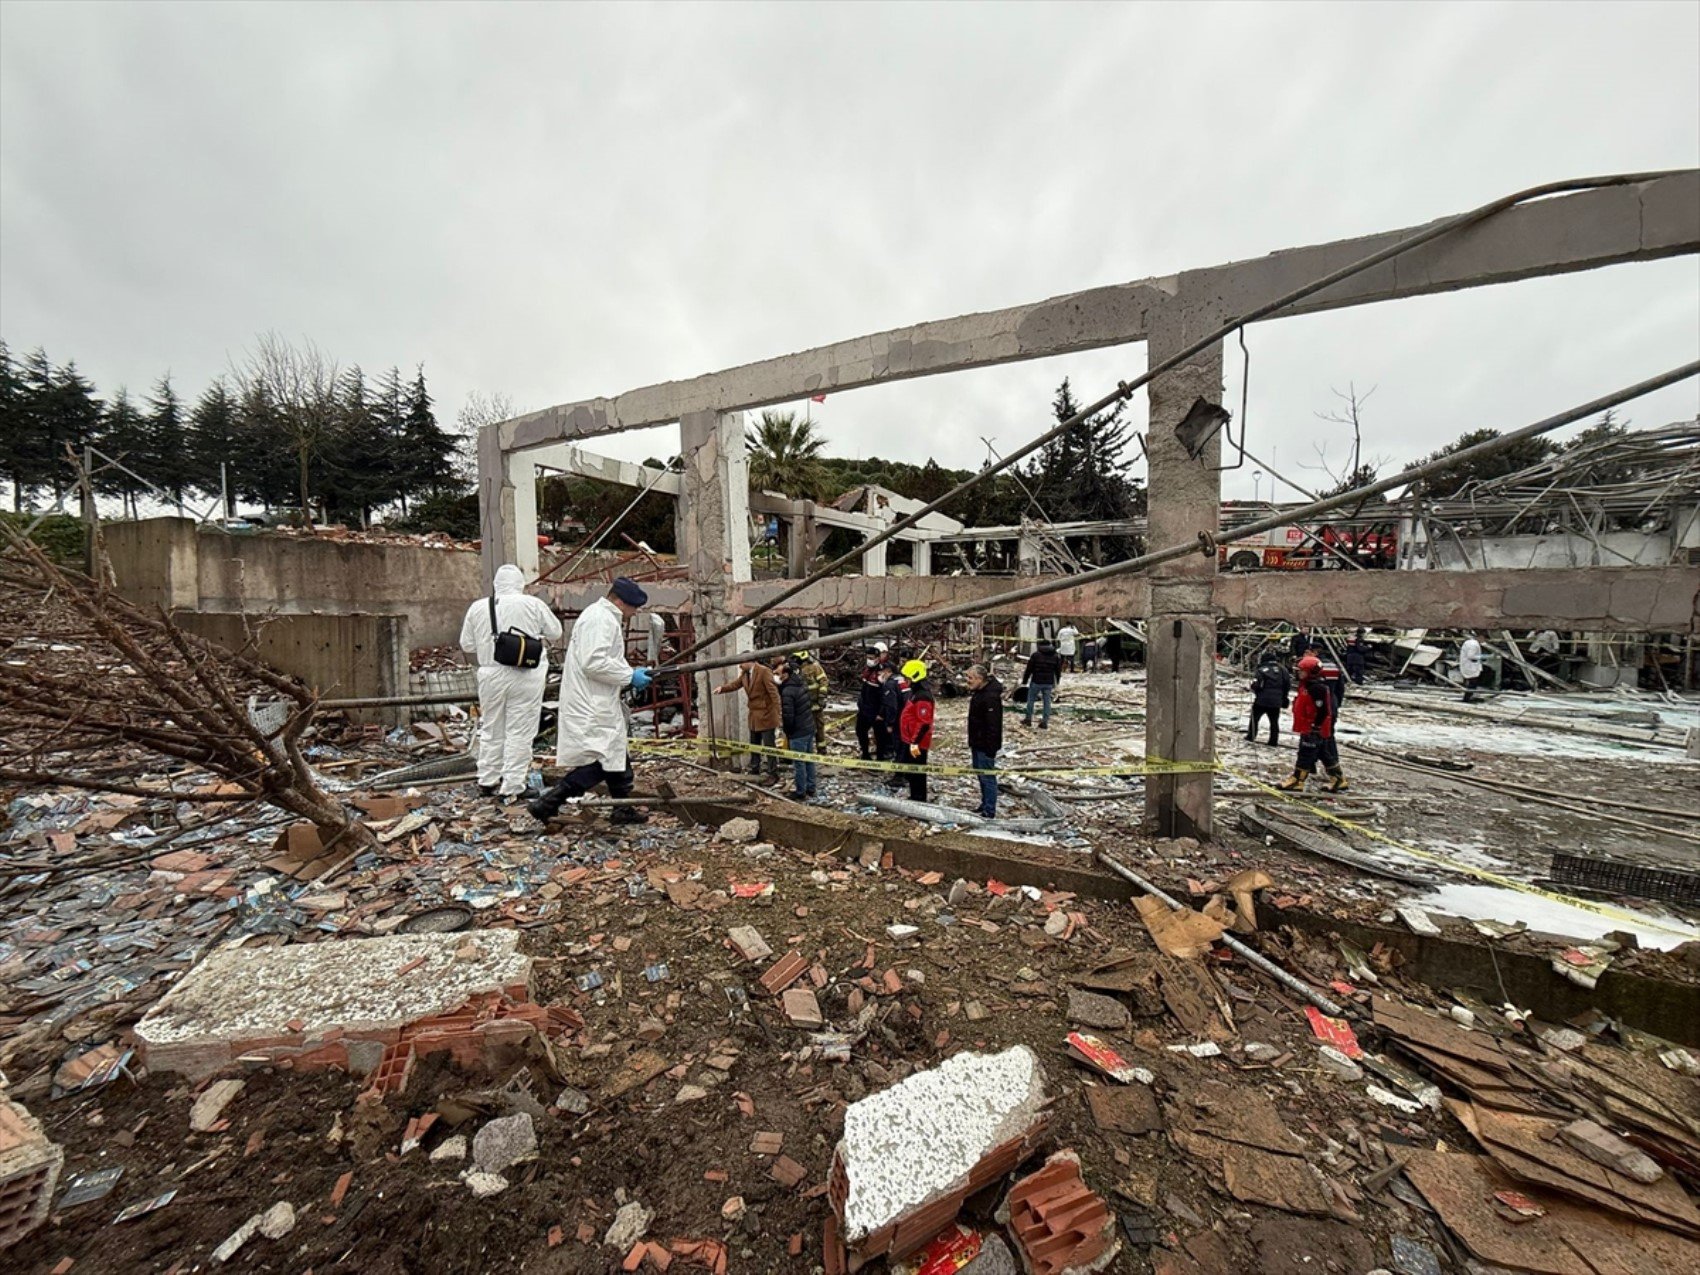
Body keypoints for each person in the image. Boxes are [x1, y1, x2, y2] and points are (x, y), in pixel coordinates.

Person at [527, 578, 654, 825]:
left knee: (615, 753)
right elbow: (594, 662)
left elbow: (604, 658)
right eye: (632, 607)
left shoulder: (601, 616)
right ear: (619, 602)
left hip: (597, 698)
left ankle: (621, 807)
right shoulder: (601, 619)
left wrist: (628, 671)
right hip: (592, 702)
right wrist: (629, 676)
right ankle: (548, 802)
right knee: (603, 759)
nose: (634, 613)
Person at [459, 564, 563, 802]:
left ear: (496, 584)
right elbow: (555, 632)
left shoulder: (478, 607)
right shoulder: (533, 604)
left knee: (491, 727)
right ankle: (513, 784)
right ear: (520, 584)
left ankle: (487, 779)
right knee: (520, 730)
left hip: (490, 674)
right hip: (526, 674)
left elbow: (467, 645)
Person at [1277, 653, 1347, 792]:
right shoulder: (1307, 686)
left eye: (1301, 671)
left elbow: (1323, 710)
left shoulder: (1316, 688)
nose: (1298, 674)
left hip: (1313, 728)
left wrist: (1316, 726)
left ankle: (1298, 780)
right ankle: (1338, 779)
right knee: (1324, 753)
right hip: (1309, 726)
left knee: (1306, 753)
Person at [713, 659, 780, 783]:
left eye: (741, 663)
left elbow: (773, 693)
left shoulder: (764, 671)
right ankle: (755, 768)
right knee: (754, 743)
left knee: (769, 746)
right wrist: (722, 689)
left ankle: (773, 773)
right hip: (754, 715)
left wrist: (779, 713)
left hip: (766, 715)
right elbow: (735, 685)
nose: (739, 666)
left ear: (750, 661)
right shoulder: (745, 674)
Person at [965, 663, 1004, 818]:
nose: (967, 681)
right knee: (981, 775)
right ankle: (985, 804)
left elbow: (993, 725)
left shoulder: (990, 698)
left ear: (980, 679)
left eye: (970, 678)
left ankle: (989, 810)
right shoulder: (980, 692)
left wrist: (991, 748)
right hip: (977, 742)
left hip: (985, 745)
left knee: (987, 777)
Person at [778, 657, 817, 800]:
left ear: (786, 674)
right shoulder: (800, 684)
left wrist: (788, 732)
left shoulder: (788, 691)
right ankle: (811, 787)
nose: (777, 675)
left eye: (779, 673)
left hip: (798, 731)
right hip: (808, 727)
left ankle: (801, 792)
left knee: (799, 763)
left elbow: (788, 715)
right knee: (809, 760)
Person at [898, 659, 936, 801]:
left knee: (918, 772)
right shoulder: (916, 692)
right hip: (912, 740)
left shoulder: (923, 696)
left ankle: (919, 798)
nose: (905, 681)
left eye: (907, 678)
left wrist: (914, 742)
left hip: (918, 742)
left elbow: (924, 723)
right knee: (913, 772)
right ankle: (915, 796)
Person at [1246, 649, 1289, 746]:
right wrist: (1284, 697)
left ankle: (1251, 736)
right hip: (1276, 701)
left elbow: (1258, 685)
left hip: (1262, 700)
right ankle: (1273, 741)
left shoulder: (1261, 670)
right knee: (1274, 722)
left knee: (1254, 719)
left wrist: (1253, 688)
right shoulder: (1283, 670)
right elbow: (1287, 685)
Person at [1021, 639, 1062, 728]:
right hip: (1048, 682)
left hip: (1036, 681)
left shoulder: (1036, 655)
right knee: (1047, 702)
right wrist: (1057, 682)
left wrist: (1024, 681)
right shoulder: (1056, 656)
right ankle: (1045, 722)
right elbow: (1058, 671)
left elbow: (1029, 669)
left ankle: (1028, 719)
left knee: (1031, 700)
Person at [880, 665, 908, 790]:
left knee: (899, 748)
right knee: (905, 748)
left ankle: (899, 776)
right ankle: (908, 774)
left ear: (888, 671)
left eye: (882, 671)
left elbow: (891, 706)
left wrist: (890, 723)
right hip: (907, 719)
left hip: (898, 721)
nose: (880, 674)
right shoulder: (902, 681)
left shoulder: (890, 685)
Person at [796, 650, 831, 750]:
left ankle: (822, 749)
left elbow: (823, 681)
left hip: (815, 703)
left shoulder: (815, 667)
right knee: (805, 729)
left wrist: (822, 697)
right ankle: (808, 749)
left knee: (819, 727)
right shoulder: (797, 670)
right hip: (803, 705)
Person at [855, 651, 885, 761]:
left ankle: (880, 759)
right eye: (868, 657)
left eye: (871, 657)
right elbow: (864, 690)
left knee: (880, 736)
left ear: (877, 658)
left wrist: (881, 713)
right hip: (865, 709)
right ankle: (865, 755)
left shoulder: (882, 673)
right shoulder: (867, 670)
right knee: (860, 731)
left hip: (876, 711)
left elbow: (885, 695)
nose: (869, 660)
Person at [1459, 631, 1485, 702]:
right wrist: (1482, 657)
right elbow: (1471, 656)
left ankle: (1469, 697)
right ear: (1480, 637)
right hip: (1470, 666)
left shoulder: (1469, 642)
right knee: (1472, 683)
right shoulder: (1474, 644)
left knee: (1471, 683)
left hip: (1468, 665)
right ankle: (1466, 699)